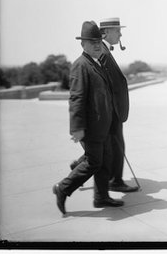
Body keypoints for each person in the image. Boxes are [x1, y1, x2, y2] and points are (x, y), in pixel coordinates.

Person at [52, 21, 124, 215]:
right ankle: (63, 188)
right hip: (91, 127)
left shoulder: (96, 62)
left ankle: (101, 197)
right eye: (91, 41)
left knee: (105, 159)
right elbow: (76, 98)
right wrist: (77, 128)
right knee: (94, 162)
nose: (96, 44)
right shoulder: (80, 65)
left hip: (103, 125)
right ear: (82, 44)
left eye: (98, 40)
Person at [70, 17, 139, 192]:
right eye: (117, 30)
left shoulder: (104, 51)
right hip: (111, 110)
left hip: (112, 109)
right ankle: (114, 181)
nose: (120, 34)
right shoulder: (103, 53)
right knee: (113, 146)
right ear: (106, 32)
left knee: (107, 147)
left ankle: (82, 168)